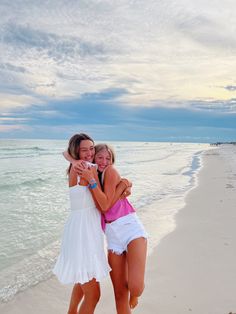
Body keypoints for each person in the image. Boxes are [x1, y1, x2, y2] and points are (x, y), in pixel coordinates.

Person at [54, 134, 129, 314]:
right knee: (93, 294)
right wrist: (123, 185)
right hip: (83, 233)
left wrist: (71, 158)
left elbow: (65, 153)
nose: (89, 153)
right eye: (84, 149)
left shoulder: (77, 166)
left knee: (82, 281)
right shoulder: (84, 168)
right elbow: (105, 204)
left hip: (82, 229)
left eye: (91, 148)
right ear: (77, 151)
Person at [69, 143, 148, 314]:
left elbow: (105, 206)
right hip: (112, 236)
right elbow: (71, 156)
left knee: (135, 288)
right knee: (119, 294)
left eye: (108, 158)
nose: (104, 161)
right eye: (100, 157)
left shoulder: (109, 172)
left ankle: (135, 295)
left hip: (131, 228)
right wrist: (123, 186)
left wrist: (123, 185)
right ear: (94, 159)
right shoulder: (91, 177)